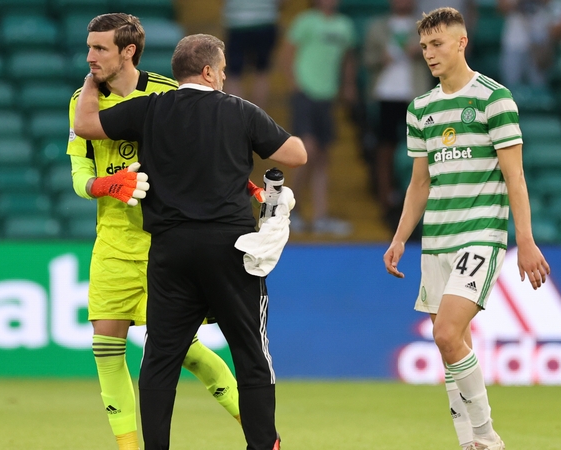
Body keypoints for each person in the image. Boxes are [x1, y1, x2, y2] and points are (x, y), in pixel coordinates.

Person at [73, 33, 307, 450]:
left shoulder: (151, 108)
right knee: (252, 353)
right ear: (209, 71)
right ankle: (263, 444)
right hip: (229, 250)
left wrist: (90, 87)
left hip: (169, 250)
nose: (222, 77)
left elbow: (85, 125)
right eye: (220, 71)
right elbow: (296, 155)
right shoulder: (239, 110)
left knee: (161, 358)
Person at [66, 14, 242, 450]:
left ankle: (261, 433)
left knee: (185, 351)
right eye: (89, 47)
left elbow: (208, 151)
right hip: (111, 242)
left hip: (165, 242)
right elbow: (79, 175)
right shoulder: (82, 102)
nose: (90, 56)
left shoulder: (167, 93)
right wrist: (106, 184)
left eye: (100, 48)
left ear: (128, 51)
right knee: (105, 349)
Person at [383, 7, 550, 450]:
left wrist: (526, 242)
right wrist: (400, 237)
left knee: (444, 334)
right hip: (436, 239)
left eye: (437, 44)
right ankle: (468, 444)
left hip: (480, 234)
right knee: (451, 345)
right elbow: (420, 183)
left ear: (461, 43)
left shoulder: (495, 99)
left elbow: (515, 176)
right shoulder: (421, 108)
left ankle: (486, 437)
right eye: (423, 47)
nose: (429, 54)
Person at [280, 0, 357, 236]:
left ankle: (320, 215)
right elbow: (287, 54)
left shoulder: (345, 25)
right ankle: (289, 211)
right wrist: (295, 86)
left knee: (323, 156)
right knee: (308, 151)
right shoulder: (305, 22)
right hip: (306, 93)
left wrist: (348, 85)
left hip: (327, 96)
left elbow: (347, 59)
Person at [363, 0, 432, 227]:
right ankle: (386, 201)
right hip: (385, 94)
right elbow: (367, 59)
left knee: (421, 152)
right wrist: (382, 59)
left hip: (415, 96)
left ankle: (419, 203)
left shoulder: (427, 26)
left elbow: (442, 57)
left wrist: (421, 50)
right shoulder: (377, 26)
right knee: (385, 149)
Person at [223, 0, 281, 108]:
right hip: (265, 20)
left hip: (237, 22)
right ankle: (257, 118)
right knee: (262, 72)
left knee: (233, 74)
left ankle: (239, 117)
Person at [498, 0, 552, 88]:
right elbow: (502, 8)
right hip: (514, 43)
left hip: (540, 41)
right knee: (511, 89)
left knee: (539, 88)